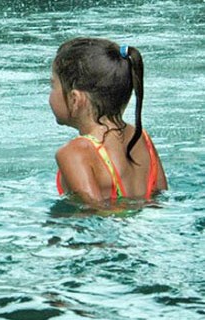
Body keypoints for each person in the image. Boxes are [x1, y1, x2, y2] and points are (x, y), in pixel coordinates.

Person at [50, 37, 167, 208]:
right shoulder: (142, 138)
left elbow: (94, 213)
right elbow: (159, 199)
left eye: (52, 85)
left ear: (75, 99)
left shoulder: (74, 153)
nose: (51, 94)